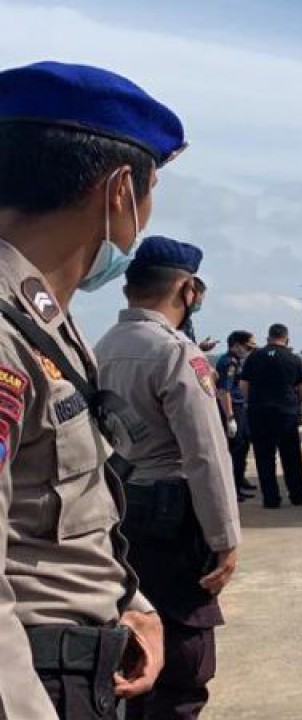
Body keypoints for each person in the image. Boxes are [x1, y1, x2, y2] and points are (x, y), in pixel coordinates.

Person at [0, 60, 183, 719]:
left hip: (78, 661)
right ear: (117, 195)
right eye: (151, 190)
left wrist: (127, 603)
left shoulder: (44, 321)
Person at [95, 236, 241, 719]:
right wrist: (225, 538)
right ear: (187, 290)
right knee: (184, 666)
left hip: (120, 509)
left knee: (137, 648)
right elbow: (205, 453)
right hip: (173, 517)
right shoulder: (176, 352)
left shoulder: (101, 348)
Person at [239, 324, 302, 509]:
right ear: (286, 337)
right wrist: (296, 403)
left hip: (259, 412)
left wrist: (251, 403)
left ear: (268, 337)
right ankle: (298, 496)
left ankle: (271, 499)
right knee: (291, 456)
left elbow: (243, 385)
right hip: (285, 412)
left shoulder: (254, 356)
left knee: (264, 457)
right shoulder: (294, 359)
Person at [216, 331, 257, 502]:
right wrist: (230, 417)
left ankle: (239, 481)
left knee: (244, 445)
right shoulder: (229, 363)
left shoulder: (237, 361)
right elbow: (224, 391)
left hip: (239, 406)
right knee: (237, 449)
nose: (249, 350)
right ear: (237, 345)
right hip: (233, 408)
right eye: (248, 347)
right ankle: (234, 488)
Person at [178, 277, 217, 352]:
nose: (200, 303)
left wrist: (200, 348)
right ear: (190, 294)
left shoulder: (187, 321)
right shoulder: (178, 321)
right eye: (200, 300)